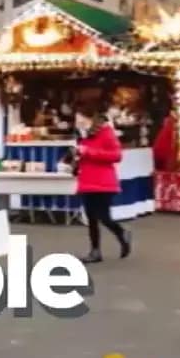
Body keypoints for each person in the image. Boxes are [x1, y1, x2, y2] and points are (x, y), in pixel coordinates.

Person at [73, 106, 132, 263]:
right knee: (91, 217)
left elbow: (116, 155)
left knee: (103, 216)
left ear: (91, 119)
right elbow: (84, 155)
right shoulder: (83, 136)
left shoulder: (106, 133)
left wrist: (88, 152)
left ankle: (121, 232)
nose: (78, 123)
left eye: (81, 120)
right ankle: (95, 250)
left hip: (103, 182)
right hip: (86, 180)